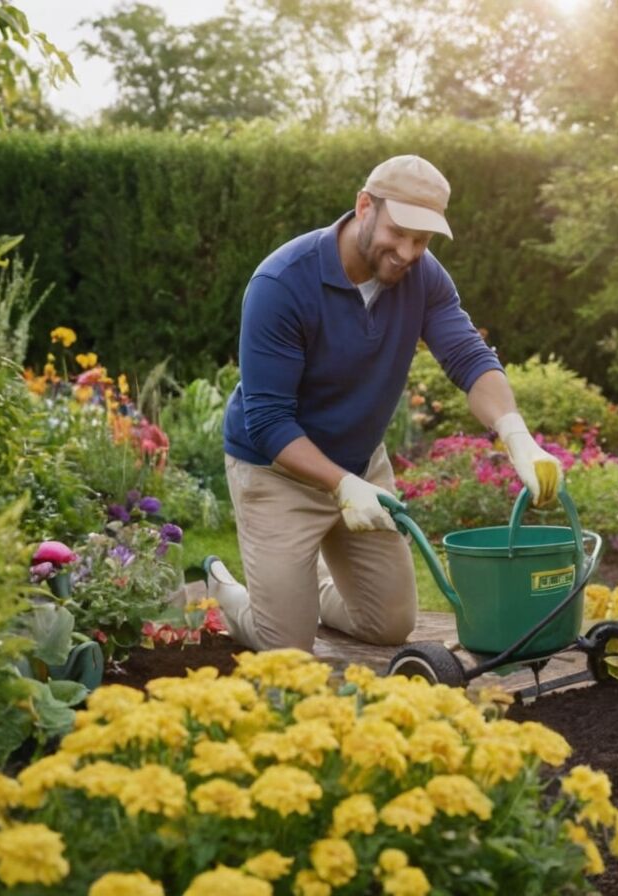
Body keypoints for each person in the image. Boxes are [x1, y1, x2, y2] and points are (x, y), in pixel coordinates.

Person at [206, 154, 561, 652]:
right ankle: (229, 591)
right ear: (364, 206)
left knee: (389, 626)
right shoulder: (282, 284)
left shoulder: (424, 277)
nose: (408, 252)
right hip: (277, 471)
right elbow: (268, 420)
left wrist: (517, 436)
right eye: (399, 233)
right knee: (285, 647)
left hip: (360, 463)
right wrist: (340, 485)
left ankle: (300, 600)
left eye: (422, 240)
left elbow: (469, 357)